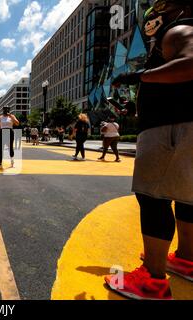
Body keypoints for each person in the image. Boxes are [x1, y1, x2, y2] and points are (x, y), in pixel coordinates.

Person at [104, 0, 193, 300]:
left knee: (154, 196)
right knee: (185, 195)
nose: (157, 14)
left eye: (163, 8)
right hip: (180, 126)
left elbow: (190, 63)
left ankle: (152, 280)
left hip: (170, 129)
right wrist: (136, 104)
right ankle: (185, 258)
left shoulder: (180, 29)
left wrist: (139, 76)